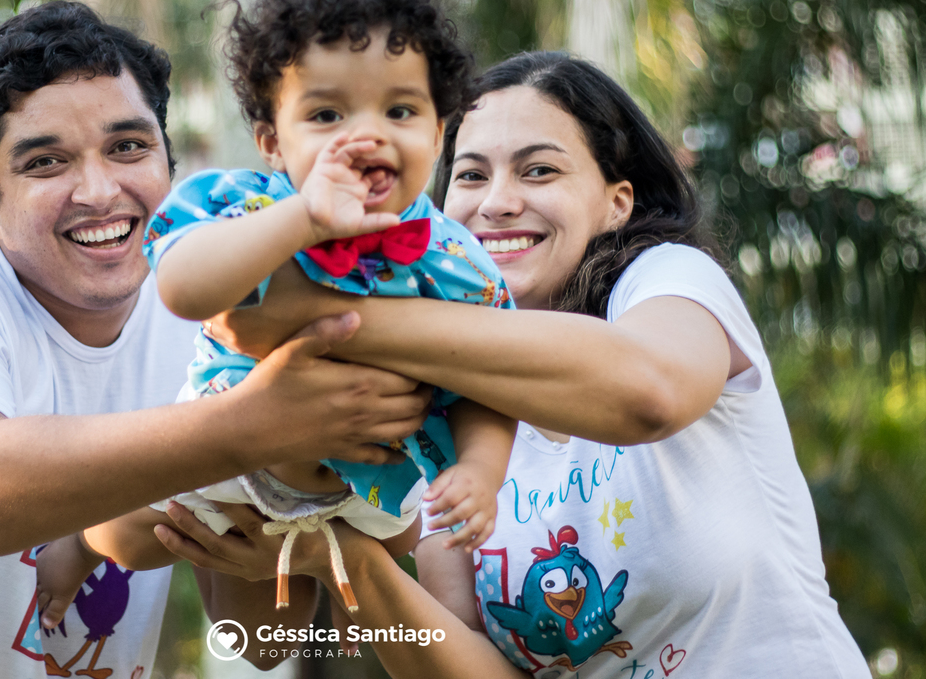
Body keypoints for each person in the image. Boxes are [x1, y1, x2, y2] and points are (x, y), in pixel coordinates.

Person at [0, 1, 431, 679]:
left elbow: (261, 642)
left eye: (128, 148)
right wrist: (249, 427)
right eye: (45, 163)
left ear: (168, 163)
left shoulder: (224, 319)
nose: (99, 190)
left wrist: (273, 538)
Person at [153, 52, 870, 677]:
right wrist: (345, 561)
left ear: (616, 200)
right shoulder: (435, 403)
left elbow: (649, 390)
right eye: (469, 175)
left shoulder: (665, 282)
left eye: (539, 170)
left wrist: (320, 317)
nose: (496, 203)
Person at [34, 0, 515, 631]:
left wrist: (483, 473)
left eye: (399, 110)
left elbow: (490, 384)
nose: (366, 135)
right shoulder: (251, 206)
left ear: (438, 135)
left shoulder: (457, 259)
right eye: (326, 114)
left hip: (365, 482)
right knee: (129, 536)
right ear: (271, 142)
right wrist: (304, 220)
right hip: (233, 446)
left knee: (406, 541)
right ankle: (77, 544)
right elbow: (183, 285)